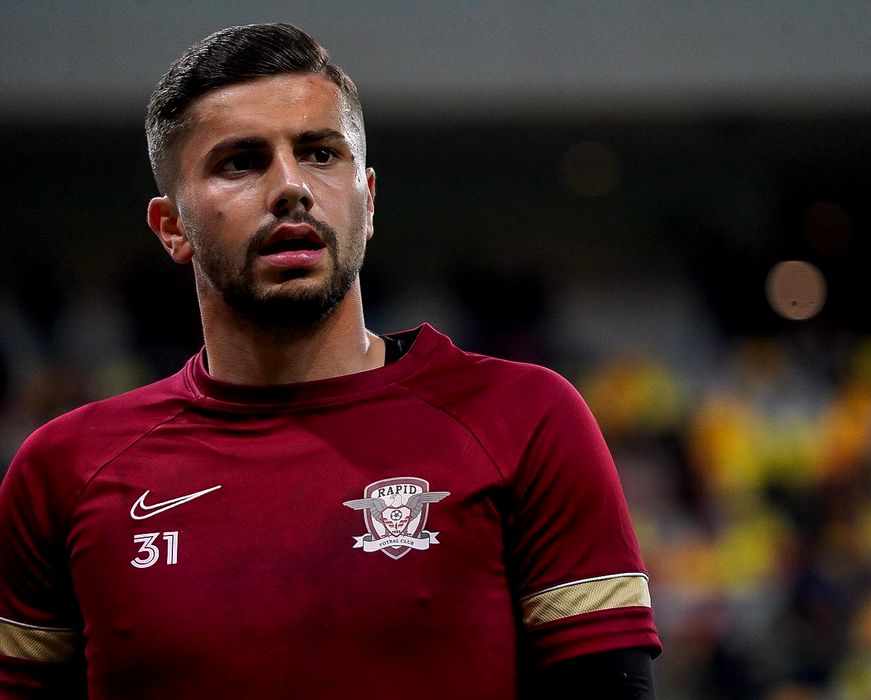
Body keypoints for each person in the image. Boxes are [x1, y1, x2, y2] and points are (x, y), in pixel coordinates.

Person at [0, 23, 660, 699]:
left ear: (367, 201)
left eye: (319, 153)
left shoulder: (524, 420)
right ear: (172, 228)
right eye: (241, 162)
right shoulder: (65, 471)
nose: (291, 187)